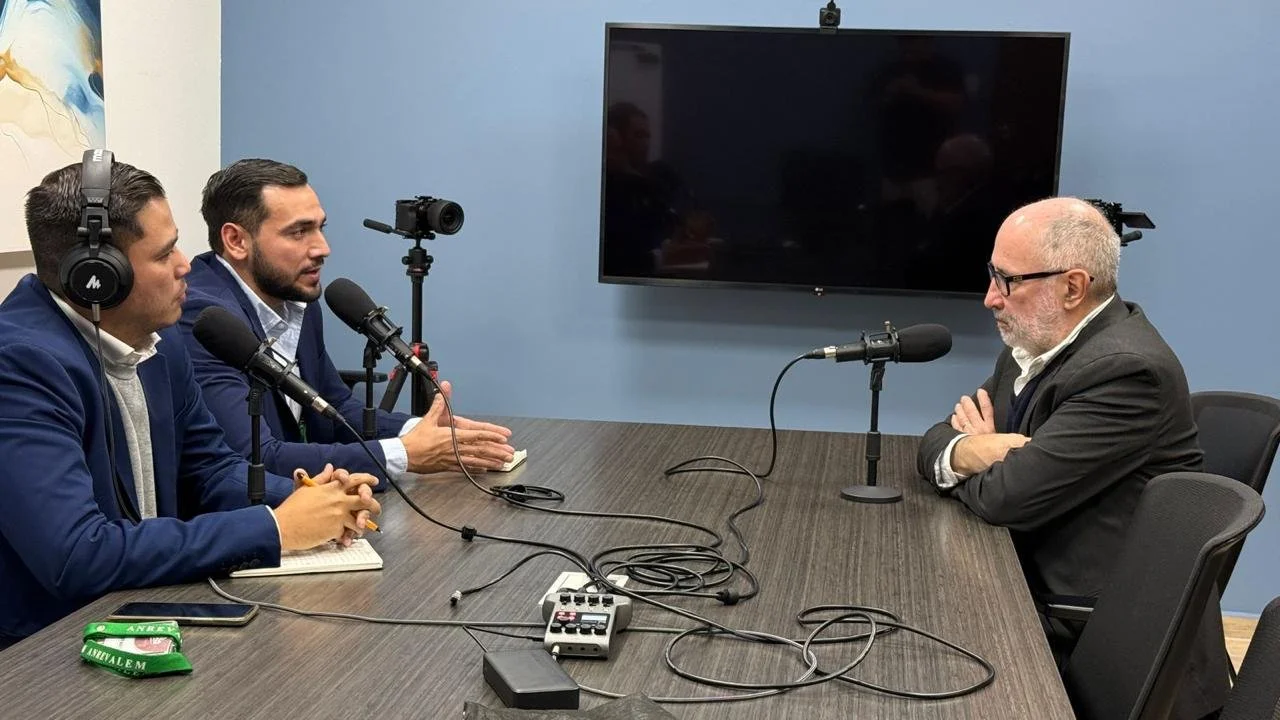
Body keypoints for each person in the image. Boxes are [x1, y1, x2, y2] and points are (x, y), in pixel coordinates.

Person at [0, 156, 380, 646]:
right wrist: (276, 528)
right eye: (164, 254)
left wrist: (313, 499)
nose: (186, 266)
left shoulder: (161, 341)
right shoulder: (19, 365)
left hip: (148, 607)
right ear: (97, 276)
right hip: (47, 652)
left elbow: (212, 470)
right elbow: (77, 554)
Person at [915, 197, 1228, 720]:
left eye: (1008, 281)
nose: (991, 298)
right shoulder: (1032, 345)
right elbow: (936, 436)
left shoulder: (1127, 371)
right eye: (992, 275)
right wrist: (974, 449)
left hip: (1098, 635)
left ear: (1073, 287)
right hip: (1034, 584)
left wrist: (984, 468)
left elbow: (1006, 498)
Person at [178, 159, 514, 487]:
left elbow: (336, 407)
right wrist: (406, 454)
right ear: (237, 241)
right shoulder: (203, 319)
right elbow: (257, 458)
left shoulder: (297, 298)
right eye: (299, 231)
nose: (323, 248)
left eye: (320, 227)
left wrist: (423, 432)